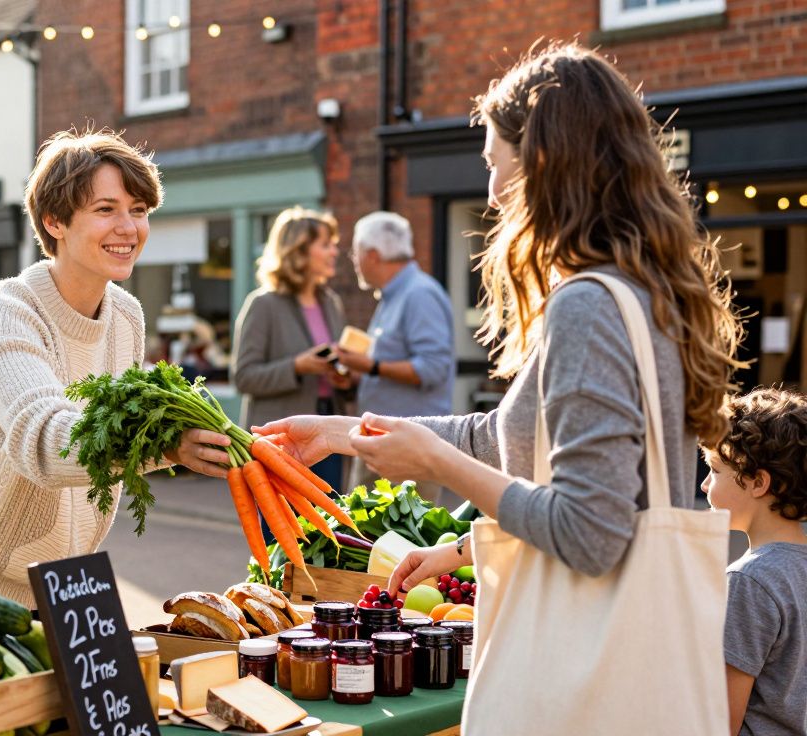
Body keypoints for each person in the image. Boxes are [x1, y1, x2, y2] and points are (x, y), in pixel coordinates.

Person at [256, 44, 742, 732]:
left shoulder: (589, 305)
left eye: (493, 164)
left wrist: (434, 464)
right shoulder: (645, 293)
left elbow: (589, 533)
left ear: (542, 159)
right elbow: (508, 434)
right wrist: (345, 431)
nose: (488, 194)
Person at [0, 129, 231, 606]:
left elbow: (115, 437)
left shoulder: (126, 316)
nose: (129, 228)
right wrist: (166, 442)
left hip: (60, 583)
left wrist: (180, 448)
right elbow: (46, 443)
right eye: (106, 210)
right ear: (55, 221)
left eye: (138, 211)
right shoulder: (6, 310)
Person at [700, 388, 807, 736]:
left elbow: (719, 722)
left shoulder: (750, 580)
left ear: (758, 483)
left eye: (715, 470)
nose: (703, 485)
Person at [232, 206, 354, 494]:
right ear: (298, 250)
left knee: (328, 530)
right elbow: (244, 376)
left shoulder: (331, 302)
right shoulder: (263, 305)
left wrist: (343, 378)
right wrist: (297, 367)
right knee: (281, 532)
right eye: (326, 244)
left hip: (329, 433)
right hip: (282, 443)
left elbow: (339, 368)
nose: (334, 252)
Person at [337, 212, 454, 500]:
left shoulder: (419, 295)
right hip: (387, 444)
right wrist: (354, 377)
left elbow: (433, 368)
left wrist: (371, 367)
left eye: (356, 252)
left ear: (373, 255)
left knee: (399, 542)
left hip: (406, 449)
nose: (354, 260)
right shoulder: (395, 295)